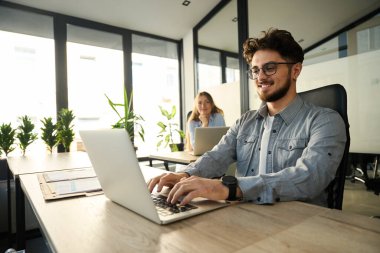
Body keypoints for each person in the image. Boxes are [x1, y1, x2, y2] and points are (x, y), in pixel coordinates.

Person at [148, 28, 347, 208]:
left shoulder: (325, 120)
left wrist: (228, 188)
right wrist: (185, 175)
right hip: (244, 215)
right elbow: (217, 156)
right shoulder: (245, 122)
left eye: (270, 68)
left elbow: (310, 176)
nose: (260, 77)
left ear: (295, 70)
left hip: (297, 224)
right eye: (255, 70)